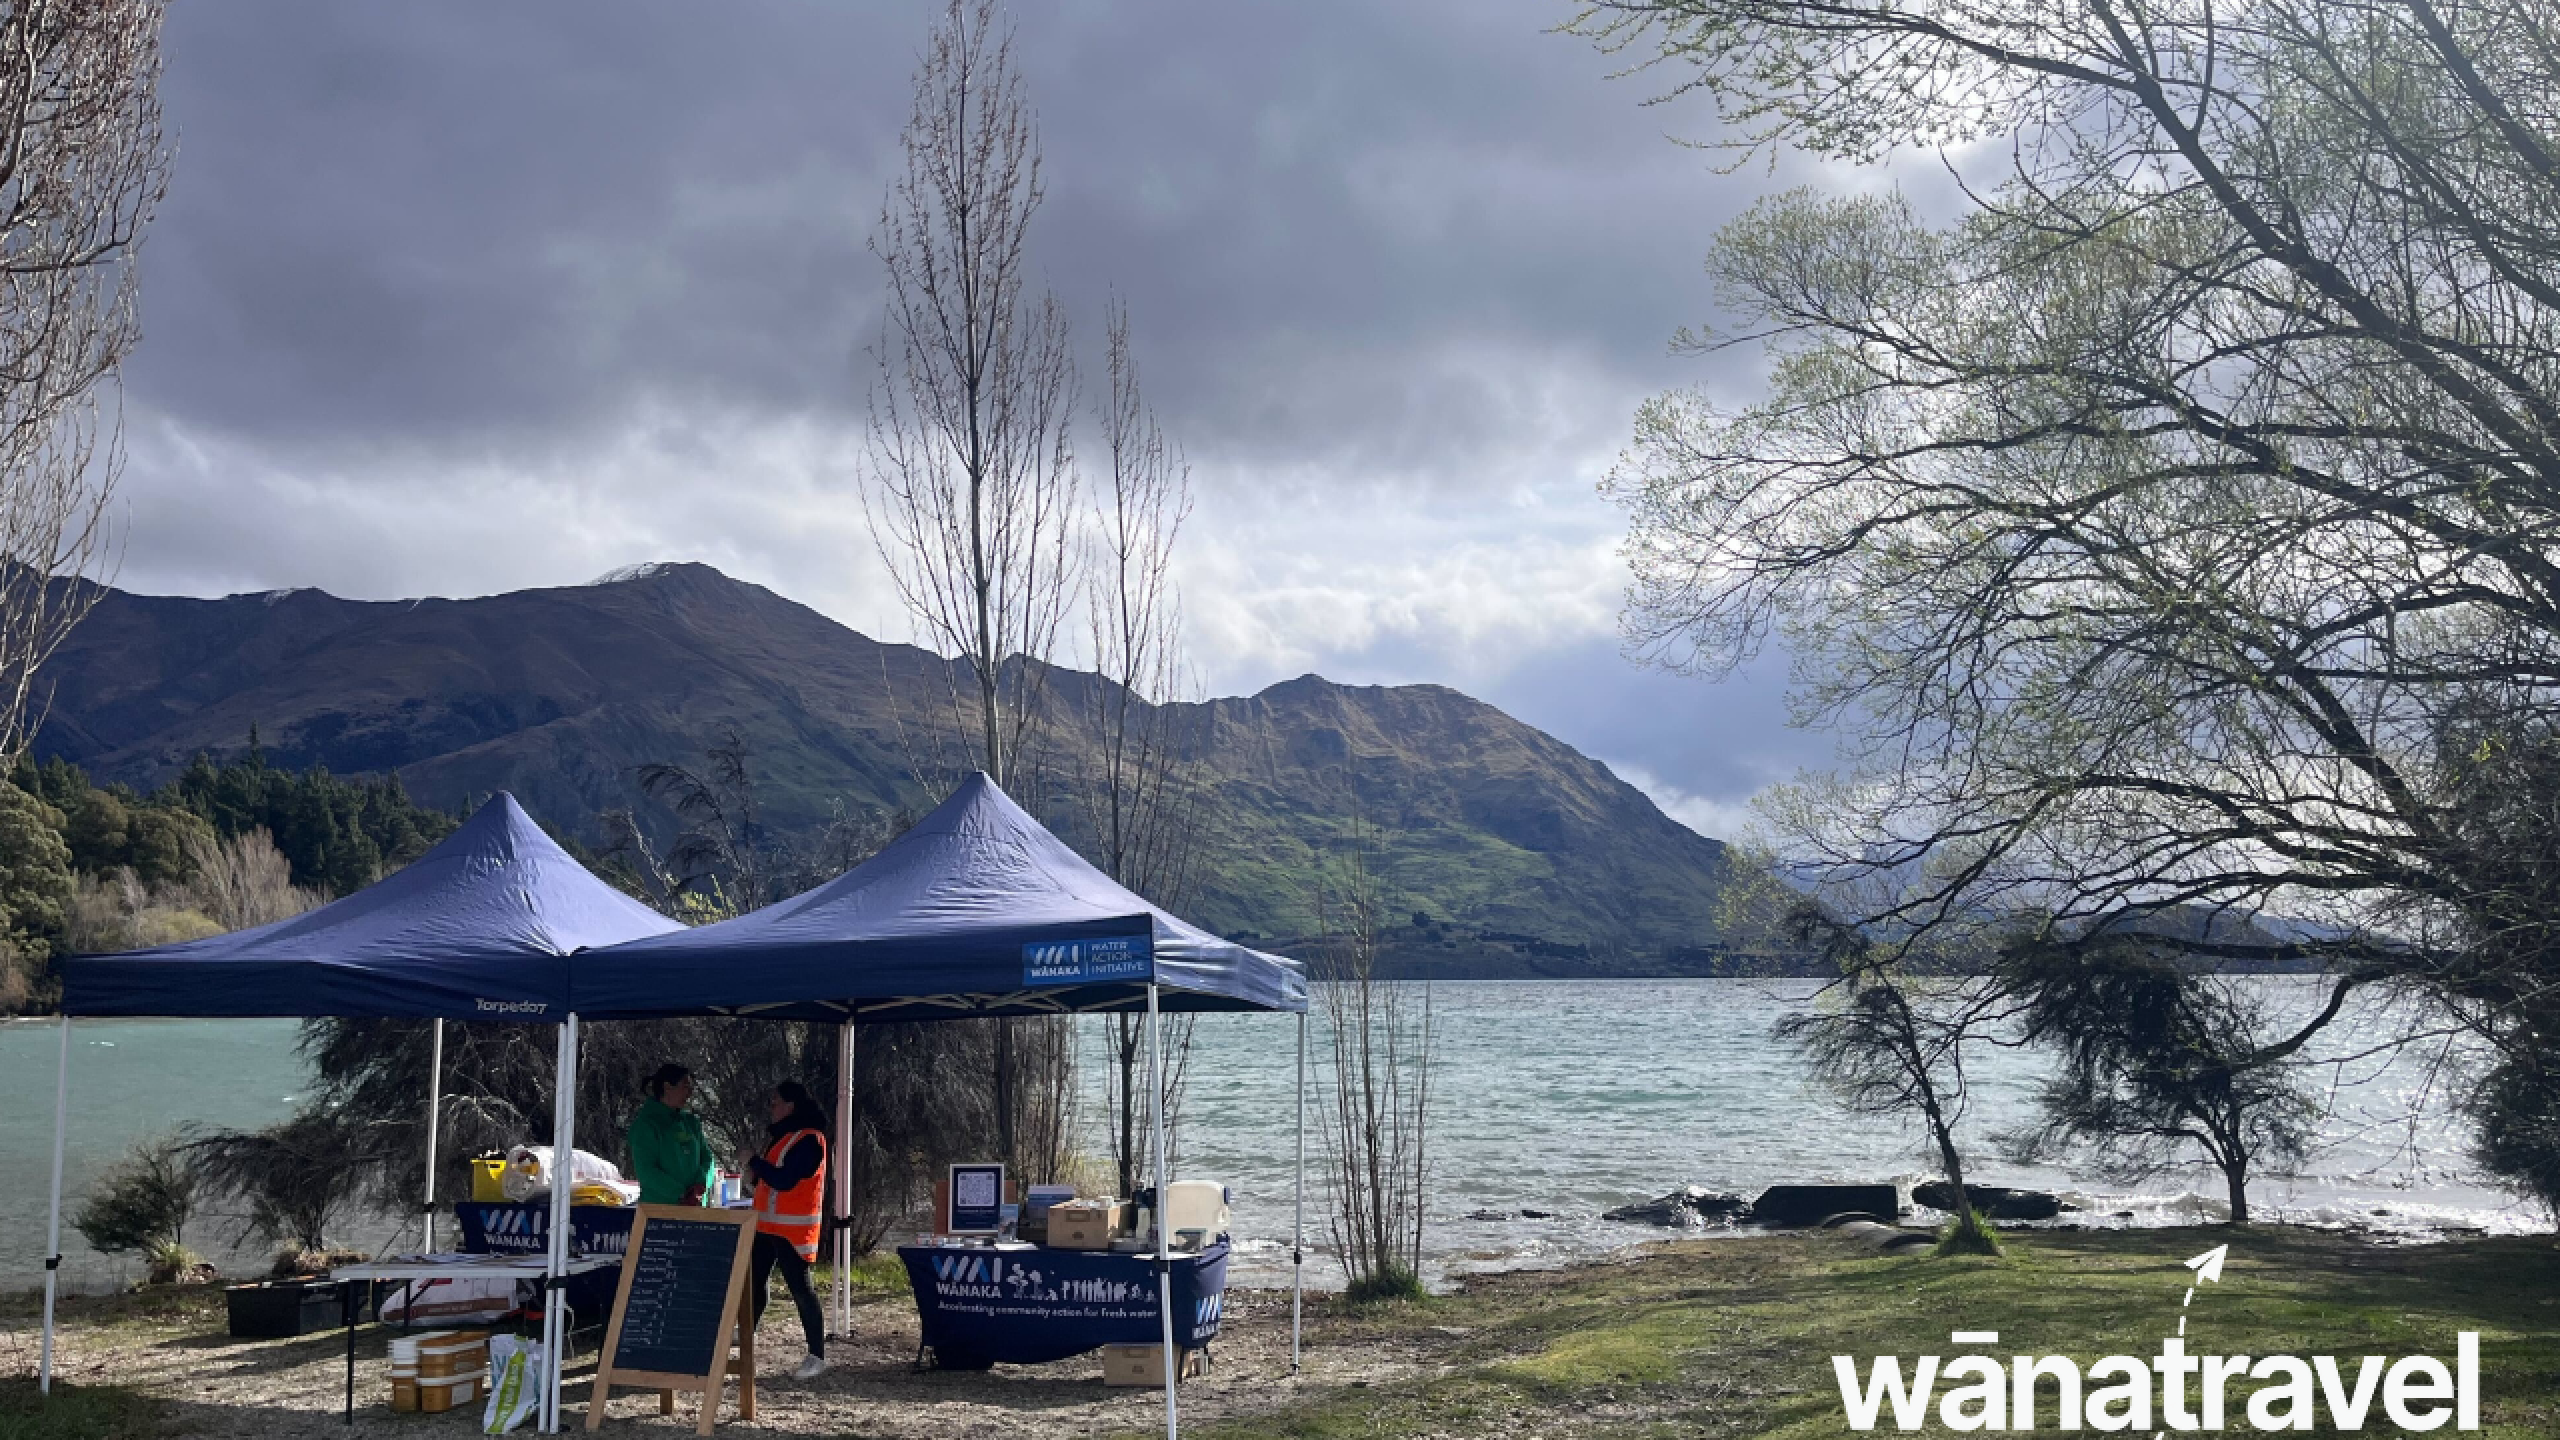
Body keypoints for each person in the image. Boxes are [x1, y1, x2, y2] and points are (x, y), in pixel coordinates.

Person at [746, 1080, 831, 1380]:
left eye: (775, 1102)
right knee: (754, 1282)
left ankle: (817, 1355)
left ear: (791, 1105)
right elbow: (768, 1182)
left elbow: (786, 1179)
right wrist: (754, 1173)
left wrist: (755, 1161)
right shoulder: (784, 1137)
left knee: (801, 1289)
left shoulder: (810, 1140)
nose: (771, 1108)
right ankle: (747, 1335)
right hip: (767, 1225)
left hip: (793, 1231)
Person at [627, 1064, 716, 1207]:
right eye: (685, 1086)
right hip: (660, 1210)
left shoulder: (691, 1123)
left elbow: (707, 1158)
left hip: (695, 1208)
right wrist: (681, 1194)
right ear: (668, 1087)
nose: (690, 1093)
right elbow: (646, 1171)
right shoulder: (646, 1125)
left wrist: (701, 1184)